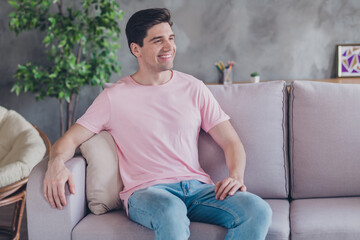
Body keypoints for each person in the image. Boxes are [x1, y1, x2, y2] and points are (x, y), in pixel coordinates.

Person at [43, 8, 272, 240]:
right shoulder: (114, 98)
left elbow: (231, 141)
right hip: (148, 192)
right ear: (136, 49)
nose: (169, 46)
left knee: (258, 210)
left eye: (171, 38)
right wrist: (56, 163)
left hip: (197, 189)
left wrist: (236, 176)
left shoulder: (194, 88)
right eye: (158, 40)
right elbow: (69, 139)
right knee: (171, 211)